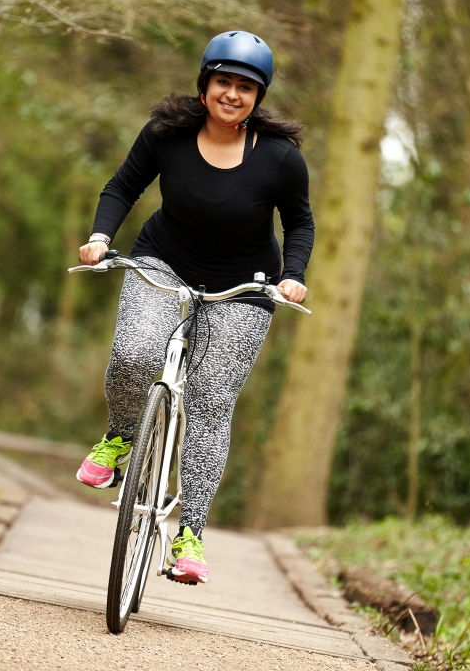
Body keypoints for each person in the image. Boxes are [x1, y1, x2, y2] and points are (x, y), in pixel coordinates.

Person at [74, 31, 315, 585]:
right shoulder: (167, 134)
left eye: (245, 87)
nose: (232, 94)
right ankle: (120, 436)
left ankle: (192, 533)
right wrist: (99, 235)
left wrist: (293, 277)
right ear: (205, 84)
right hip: (164, 262)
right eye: (223, 81)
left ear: (258, 97)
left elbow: (299, 223)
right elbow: (122, 186)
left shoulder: (280, 159)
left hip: (246, 285)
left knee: (210, 401)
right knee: (135, 352)